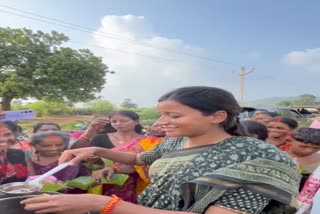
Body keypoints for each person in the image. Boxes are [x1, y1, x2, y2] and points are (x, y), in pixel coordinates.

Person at [22, 86, 300, 214]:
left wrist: (103, 204)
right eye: (161, 115)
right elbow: (138, 158)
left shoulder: (257, 156)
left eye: (173, 116)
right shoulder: (176, 142)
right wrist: (98, 149)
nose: (160, 123)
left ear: (216, 116)